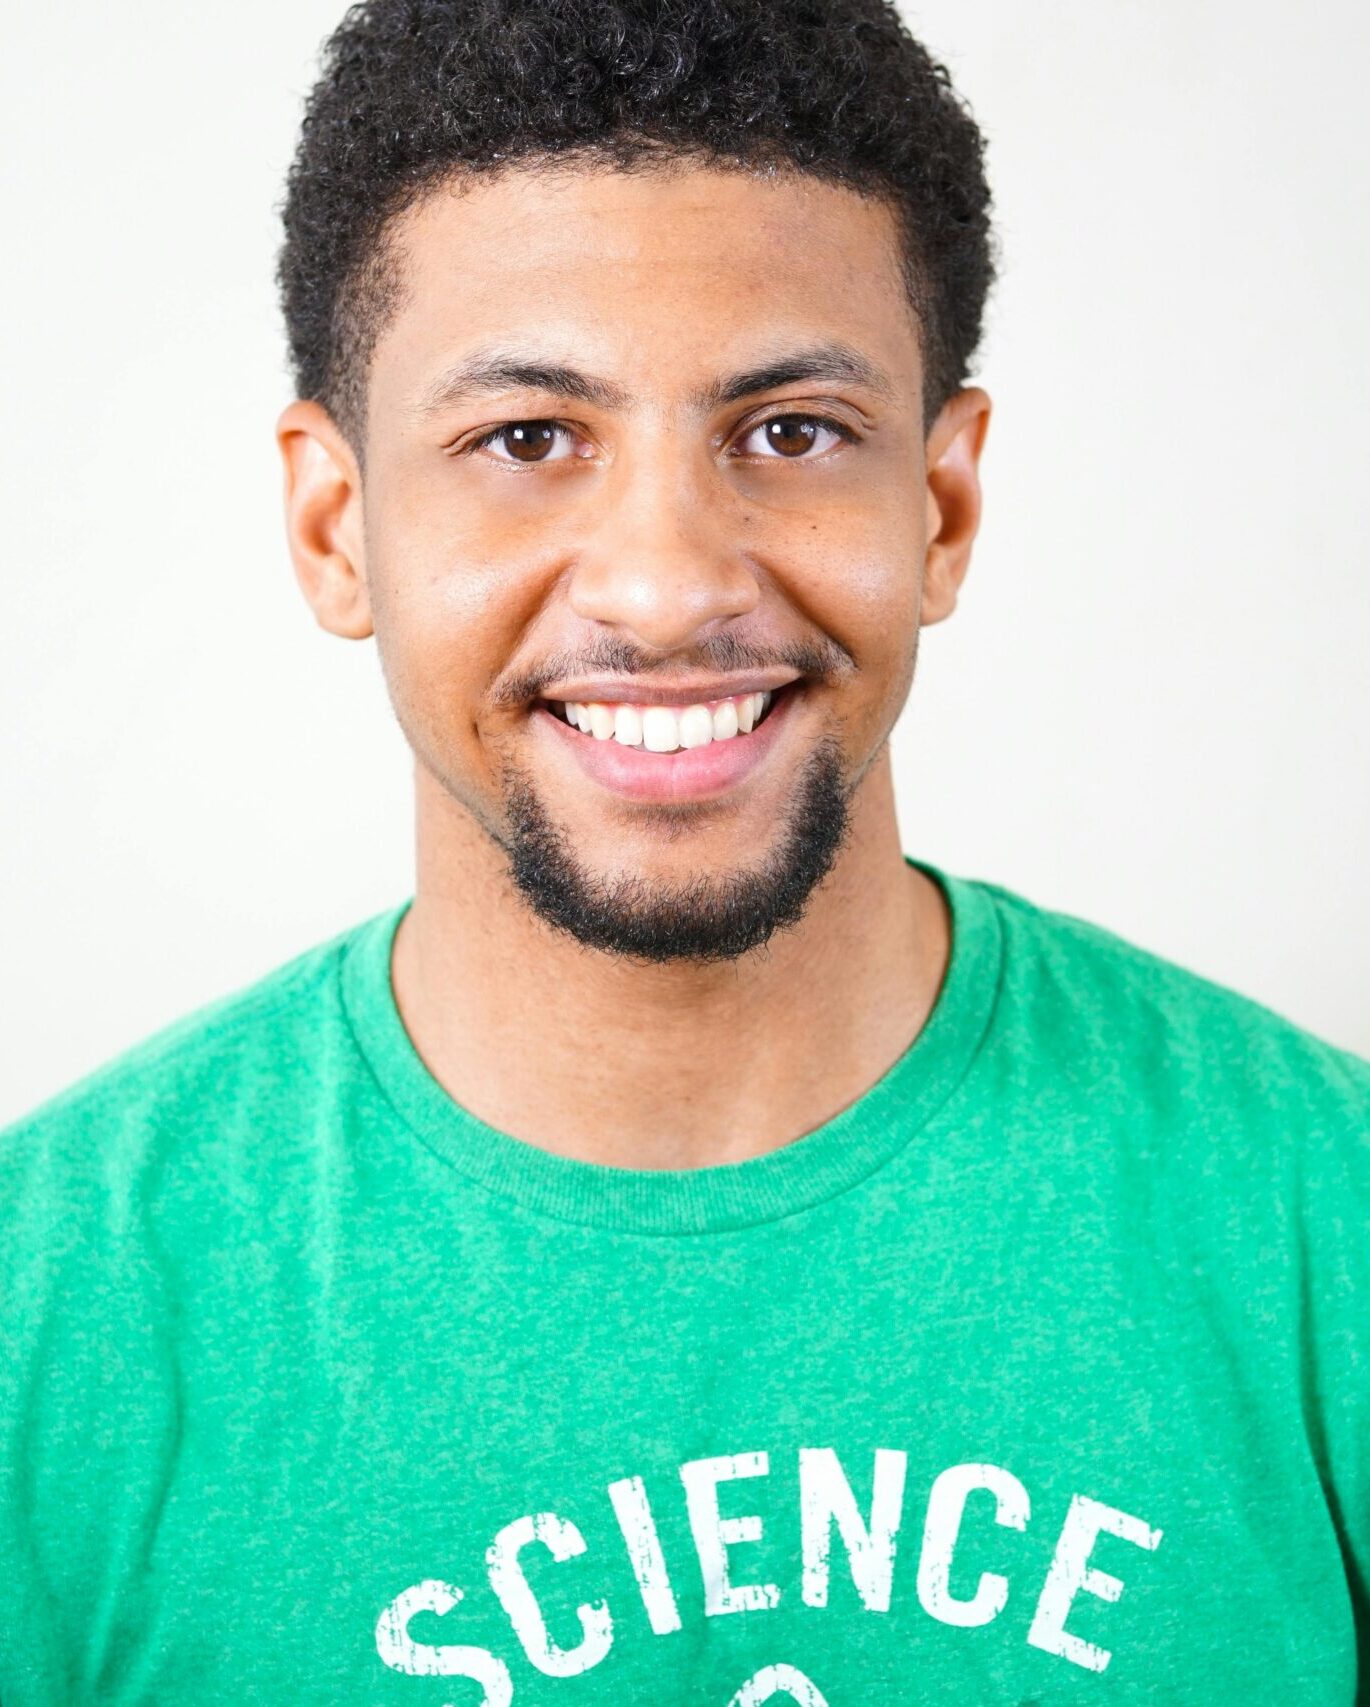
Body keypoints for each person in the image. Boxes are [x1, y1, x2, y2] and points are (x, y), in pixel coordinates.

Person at [2, 0, 1367, 1701]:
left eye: (788, 430)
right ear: (335, 526)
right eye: (526, 440)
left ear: (938, 507)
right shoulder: (44, 1327)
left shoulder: (1328, 1224)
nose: (664, 587)